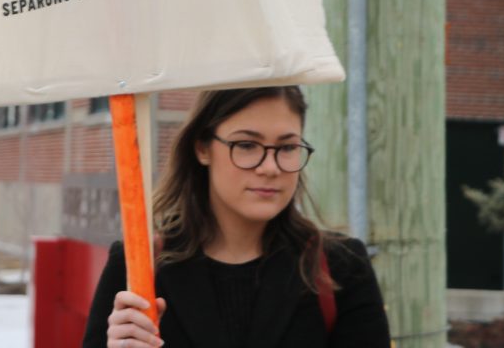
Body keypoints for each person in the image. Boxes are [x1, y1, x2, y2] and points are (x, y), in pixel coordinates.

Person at [82, 87, 391, 348]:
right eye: (246, 145)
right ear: (203, 148)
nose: (270, 167)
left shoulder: (341, 267)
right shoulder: (137, 268)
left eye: (286, 147)